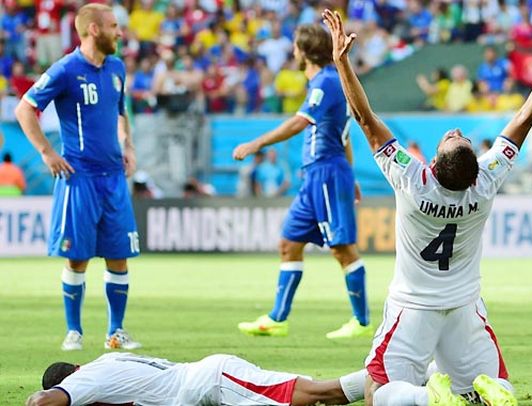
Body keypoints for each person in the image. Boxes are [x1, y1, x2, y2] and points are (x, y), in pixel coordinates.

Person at [323, 8, 532, 406]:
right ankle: (484, 388)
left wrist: (341, 62)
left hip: (412, 307)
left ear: (434, 164)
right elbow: (528, 115)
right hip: (464, 307)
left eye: (452, 139)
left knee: (375, 394)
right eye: (461, 137)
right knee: (496, 390)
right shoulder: (486, 181)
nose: (456, 132)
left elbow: (364, 117)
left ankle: (428, 397)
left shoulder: (413, 181)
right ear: (476, 168)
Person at [14, 3, 141, 351]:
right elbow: (24, 108)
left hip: (113, 176)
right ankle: (74, 331)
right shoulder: (66, 69)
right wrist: (47, 152)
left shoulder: (116, 67)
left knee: (118, 254)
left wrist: (127, 144)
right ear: (94, 30)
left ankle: (116, 332)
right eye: (114, 26)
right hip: (80, 176)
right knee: (77, 256)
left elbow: (120, 110)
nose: (120, 32)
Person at [233, 24, 372, 340]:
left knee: (342, 248)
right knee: (289, 243)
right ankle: (277, 318)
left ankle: (362, 323)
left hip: (326, 172)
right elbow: (345, 134)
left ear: (305, 51)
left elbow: (299, 122)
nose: (292, 52)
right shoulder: (324, 83)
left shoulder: (325, 81)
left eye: (295, 47)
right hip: (316, 175)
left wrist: (256, 144)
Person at [25, 352, 367, 406]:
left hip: (212, 381)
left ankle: (382, 379)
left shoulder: (88, 378)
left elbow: (44, 401)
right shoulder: (106, 361)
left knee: (320, 394)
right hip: (207, 381)